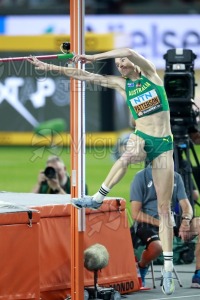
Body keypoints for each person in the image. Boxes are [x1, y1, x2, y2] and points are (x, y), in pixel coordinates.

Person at [28, 48, 175, 295]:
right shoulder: (121, 85)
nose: (120, 65)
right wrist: (51, 68)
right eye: (117, 63)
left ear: (135, 63)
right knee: (128, 154)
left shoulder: (151, 76)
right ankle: (97, 198)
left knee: (163, 209)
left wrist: (94, 58)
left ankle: (168, 269)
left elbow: (128, 50)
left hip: (164, 145)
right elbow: (84, 76)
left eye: (123, 62)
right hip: (142, 137)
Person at [130, 164, 200, 289]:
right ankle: (141, 266)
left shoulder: (175, 177)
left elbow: (186, 205)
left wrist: (185, 221)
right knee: (157, 247)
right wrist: (162, 224)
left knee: (198, 223)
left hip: (173, 222)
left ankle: (198, 274)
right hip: (149, 224)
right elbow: (136, 213)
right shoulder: (140, 177)